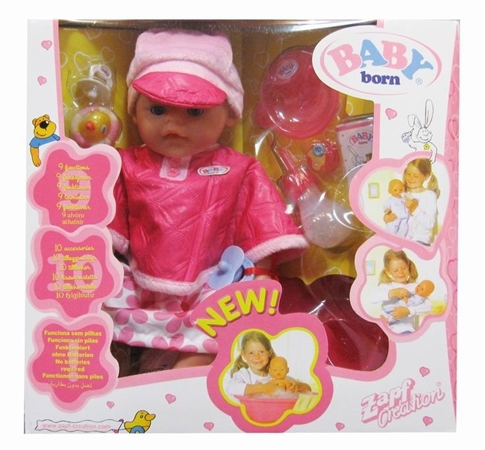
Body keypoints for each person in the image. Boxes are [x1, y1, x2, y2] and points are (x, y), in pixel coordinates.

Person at [102, 29, 308, 376]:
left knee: (222, 329)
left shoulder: (239, 168)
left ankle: (178, 383)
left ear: (230, 113)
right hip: (136, 282)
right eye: (157, 109)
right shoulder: (125, 164)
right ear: (134, 111)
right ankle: (120, 377)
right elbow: (101, 225)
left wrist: (261, 274)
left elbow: (262, 222)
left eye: (195, 111)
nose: (174, 124)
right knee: (95, 305)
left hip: (211, 284)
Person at [372, 249, 432, 334]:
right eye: (395, 270)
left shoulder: (415, 287)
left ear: (408, 266)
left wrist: (408, 311)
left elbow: (429, 306)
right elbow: (372, 298)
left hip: (404, 329)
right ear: (388, 271)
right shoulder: (386, 286)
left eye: (403, 268)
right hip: (385, 329)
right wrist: (392, 293)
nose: (401, 272)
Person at [383, 158, 439, 245]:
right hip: (402, 240)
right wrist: (386, 218)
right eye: (408, 174)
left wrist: (415, 209)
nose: (410, 178)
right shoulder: (402, 193)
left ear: (426, 177)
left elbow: (430, 224)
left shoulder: (430, 195)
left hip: (421, 241)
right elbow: (393, 208)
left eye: (415, 176)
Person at [226, 331, 278, 397]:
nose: (257, 357)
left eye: (261, 352)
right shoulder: (244, 374)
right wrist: (262, 388)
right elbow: (230, 387)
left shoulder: (274, 375)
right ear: (244, 354)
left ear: (269, 353)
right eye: (251, 353)